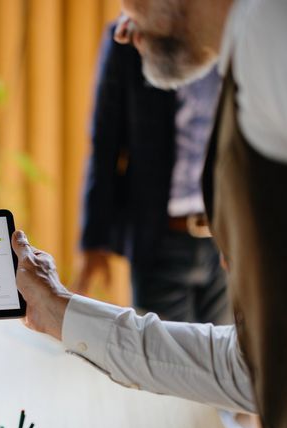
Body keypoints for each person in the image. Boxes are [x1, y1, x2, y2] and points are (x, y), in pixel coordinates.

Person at [11, 0, 287, 428]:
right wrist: (61, 313)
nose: (122, 28)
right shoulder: (255, 49)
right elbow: (255, 366)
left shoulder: (280, 28)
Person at [76, 23, 228, 326]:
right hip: (159, 238)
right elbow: (104, 142)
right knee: (165, 364)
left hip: (225, 237)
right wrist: (94, 242)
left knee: (226, 360)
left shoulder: (233, 33)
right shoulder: (131, 37)